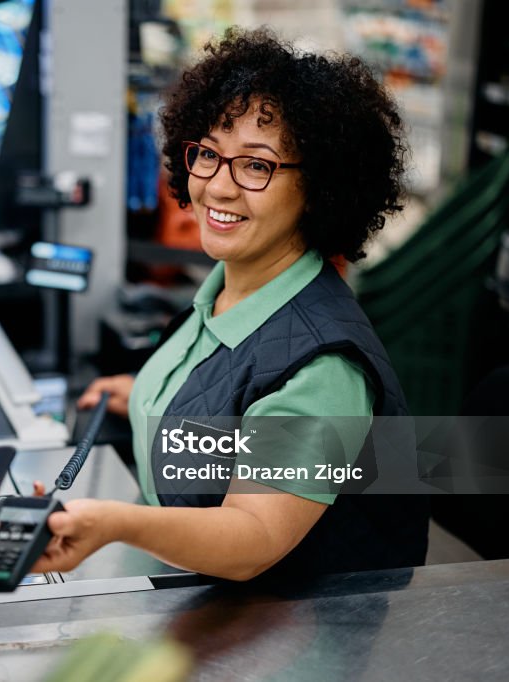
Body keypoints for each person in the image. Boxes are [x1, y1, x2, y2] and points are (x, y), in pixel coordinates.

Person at [34, 28, 429, 581]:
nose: (219, 187)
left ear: (319, 187)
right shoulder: (223, 291)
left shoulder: (322, 369)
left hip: (278, 642)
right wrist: (148, 395)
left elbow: (255, 533)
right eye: (210, 154)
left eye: (256, 165)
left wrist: (114, 524)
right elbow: (223, 395)